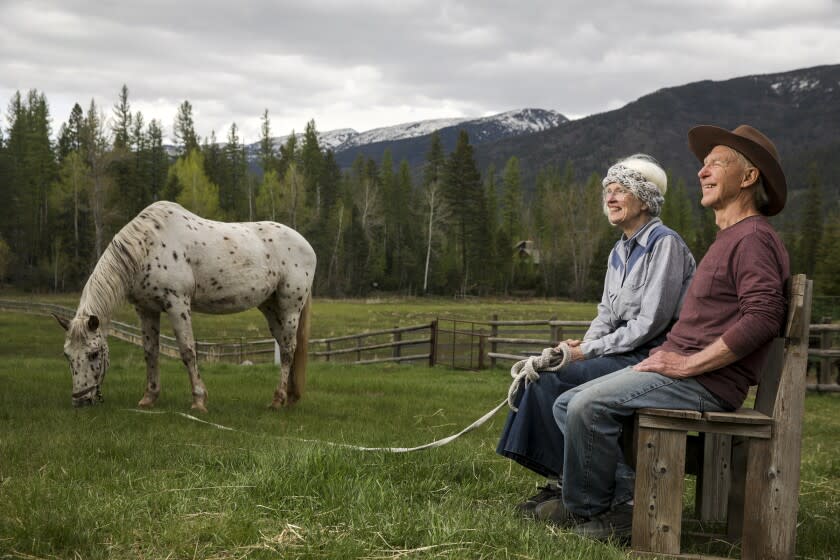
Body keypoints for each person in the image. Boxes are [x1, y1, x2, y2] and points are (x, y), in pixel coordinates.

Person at [550, 124, 790, 541]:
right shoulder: (730, 237)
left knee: (584, 407)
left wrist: (689, 362)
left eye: (717, 163)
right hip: (680, 371)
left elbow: (764, 317)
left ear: (749, 178)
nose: (702, 171)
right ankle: (613, 503)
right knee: (566, 402)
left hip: (706, 382)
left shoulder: (752, 238)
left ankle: (604, 513)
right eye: (703, 164)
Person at [496, 154, 696, 517]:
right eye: (608, 191)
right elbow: (606, 314)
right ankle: (564, 480)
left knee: (555, 382)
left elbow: (650, 323)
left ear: (645, 198)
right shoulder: (619, 250)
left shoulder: (664, 244)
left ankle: (617, 492)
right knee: (541, 374)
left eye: (621, 191)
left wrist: (589, 351)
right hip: (622, 351)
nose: (610, 198)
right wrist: (580, 347)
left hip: (650, 358)